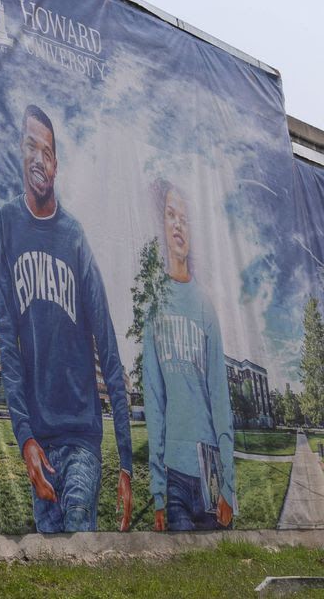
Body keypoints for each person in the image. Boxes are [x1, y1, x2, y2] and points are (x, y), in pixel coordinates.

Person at [0, 105, 134, 533]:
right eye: (30, 146)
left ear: (56, 166)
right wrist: (25, 439)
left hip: (80, 440)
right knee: (52, 558)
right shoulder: (7, 225)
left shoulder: (73, 236)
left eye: (48, 152)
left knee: (76, 538)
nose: (39, 158)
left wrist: (126, 464)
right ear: (20, 153)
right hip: (40, 443)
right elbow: (7, 345)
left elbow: (108, 348)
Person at [140, 180, 235, 531]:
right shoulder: (154, 309)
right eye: (171, 215)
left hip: (210, 469)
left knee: (217, 562)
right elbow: (154, 402)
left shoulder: (206, 307)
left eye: (185, 218)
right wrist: (159, 492)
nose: (178, 224)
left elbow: (220, 401)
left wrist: (227, 486)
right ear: (162, 225)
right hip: (175, 476)